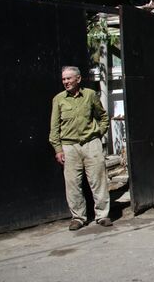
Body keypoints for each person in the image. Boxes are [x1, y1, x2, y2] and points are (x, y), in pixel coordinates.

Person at [49, 66, 112, 231]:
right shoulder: (59, 99)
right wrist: (58, 149)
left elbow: (103, 116)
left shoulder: (90, 95)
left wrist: (99, 132)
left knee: (98, 180)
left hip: (91, 144)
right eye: (63, 79)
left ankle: (102, 215)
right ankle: (78, 218)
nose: (66, 82)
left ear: (78, 79)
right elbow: (54, 127)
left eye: (69, 78)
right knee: (72, 184)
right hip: (69, 146)